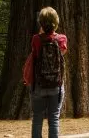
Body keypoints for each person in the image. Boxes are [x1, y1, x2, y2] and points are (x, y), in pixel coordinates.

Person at [24, 7, 67, 138]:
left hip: (38, 86)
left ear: (41, 23)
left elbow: (35, 54)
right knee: (54, 119)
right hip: (56, 85)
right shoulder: (62, 39)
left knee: (37, 119)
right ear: (56, 22)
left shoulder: (36, 39)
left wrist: (41, 32)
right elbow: (63, 53)